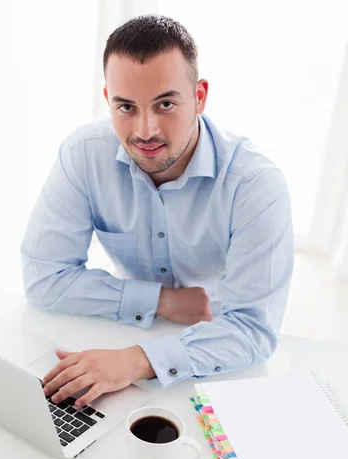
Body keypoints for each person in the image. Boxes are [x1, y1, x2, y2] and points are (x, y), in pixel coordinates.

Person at [20, 15, 294, 408]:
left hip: (215, 345)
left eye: (165, 104)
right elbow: (43, 278)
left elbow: (252, 329)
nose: (145, 130)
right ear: (107, 99)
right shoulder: (84, 155)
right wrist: (161, 301)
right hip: (127, 326)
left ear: (199, 96)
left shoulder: (255, 186)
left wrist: (137, 360)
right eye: (126, 107)